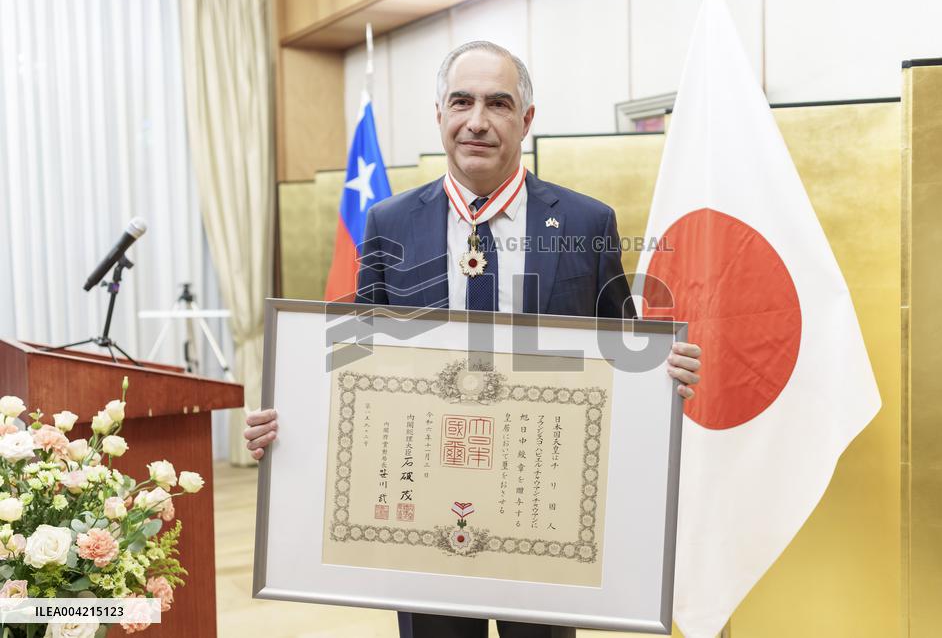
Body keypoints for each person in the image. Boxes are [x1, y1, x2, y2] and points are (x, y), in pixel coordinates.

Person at [244, 41, 702, 638]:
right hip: (424, 516)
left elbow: (623, 350)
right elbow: (353, 357)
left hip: (540, 508)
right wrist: (289, 415)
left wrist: (665, 372)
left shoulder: (589, 224)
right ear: (439, 115)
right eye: (461, 102)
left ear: (526, 120)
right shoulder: (389, 222)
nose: (477, 121)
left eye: (498, 103)